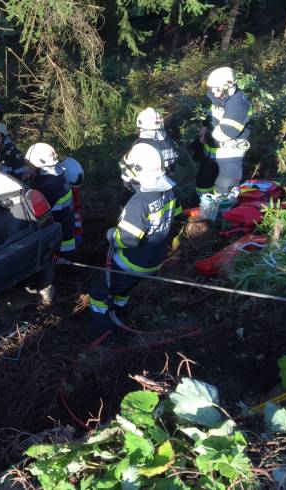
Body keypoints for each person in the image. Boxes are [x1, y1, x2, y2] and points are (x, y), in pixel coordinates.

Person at [88, 143, 181, 341]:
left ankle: (103, 334)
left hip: (132, 262)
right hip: (154, 259)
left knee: (98, 291)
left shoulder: (139, 203)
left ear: (139, 170)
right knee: (123, 289)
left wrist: (112, 234)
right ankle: (121, 315)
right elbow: (176, 215)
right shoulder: (168, 192)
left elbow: (128, 239)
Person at [195, 67, 253, 196]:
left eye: (218, 89)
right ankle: (203, 210)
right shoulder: (220, 98)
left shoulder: (238, 104)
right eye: (212, 88)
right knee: (203, 184)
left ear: (229, 86)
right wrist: (205, 127)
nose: (214, 92)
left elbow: (225, 133)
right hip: (211, 153)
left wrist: (205, 137)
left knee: (224, 190)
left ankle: (222, 213)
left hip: (229, 156)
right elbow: (211, 116)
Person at [25, 143, 76, 254]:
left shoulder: (48, 186)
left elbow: (31, 214)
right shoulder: (57, 177)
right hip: (64, 236)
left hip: (59, 245)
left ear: (40, 165)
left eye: (30, 164)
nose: (28, 168)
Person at [121, 107, 178, 204]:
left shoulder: (142, 146)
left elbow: (128, 168)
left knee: (126, 201)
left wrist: (126, 182)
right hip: (166, 183)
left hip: (144, 187)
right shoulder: (169, 142)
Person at [59, 156, 85, 245]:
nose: (74, 189)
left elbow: (76, 208)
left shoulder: (74, 185)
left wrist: (78, 232)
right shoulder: (51, 185)